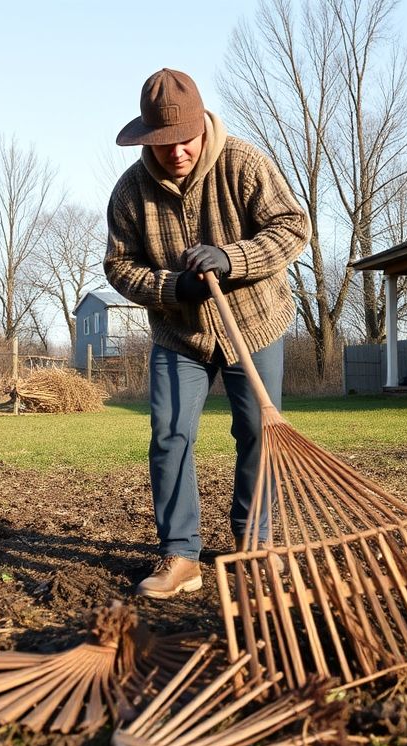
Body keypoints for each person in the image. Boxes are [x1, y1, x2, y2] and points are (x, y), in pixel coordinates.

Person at [104, 68, 309, 599]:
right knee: (170, 435)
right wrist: (173, 288)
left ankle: (254, 545)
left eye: (185, 140)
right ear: (148, 138)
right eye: (164, 143)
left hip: (254, 324)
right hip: (181, 335)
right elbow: (119, 267)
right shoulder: (131, 191)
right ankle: (180, 554)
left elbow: (292, 227)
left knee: (258, 433)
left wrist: (232, 257)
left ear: (202, 127)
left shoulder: (243, 162)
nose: (176, 153)